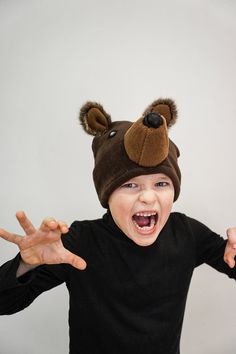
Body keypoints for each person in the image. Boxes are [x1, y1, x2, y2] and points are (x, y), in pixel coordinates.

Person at [0, 98, 236, 354]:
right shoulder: (77, 243)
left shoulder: (188, 233)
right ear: (107, 195)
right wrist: (26, 264)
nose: (147, 197)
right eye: (130, 185)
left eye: (161, 184)